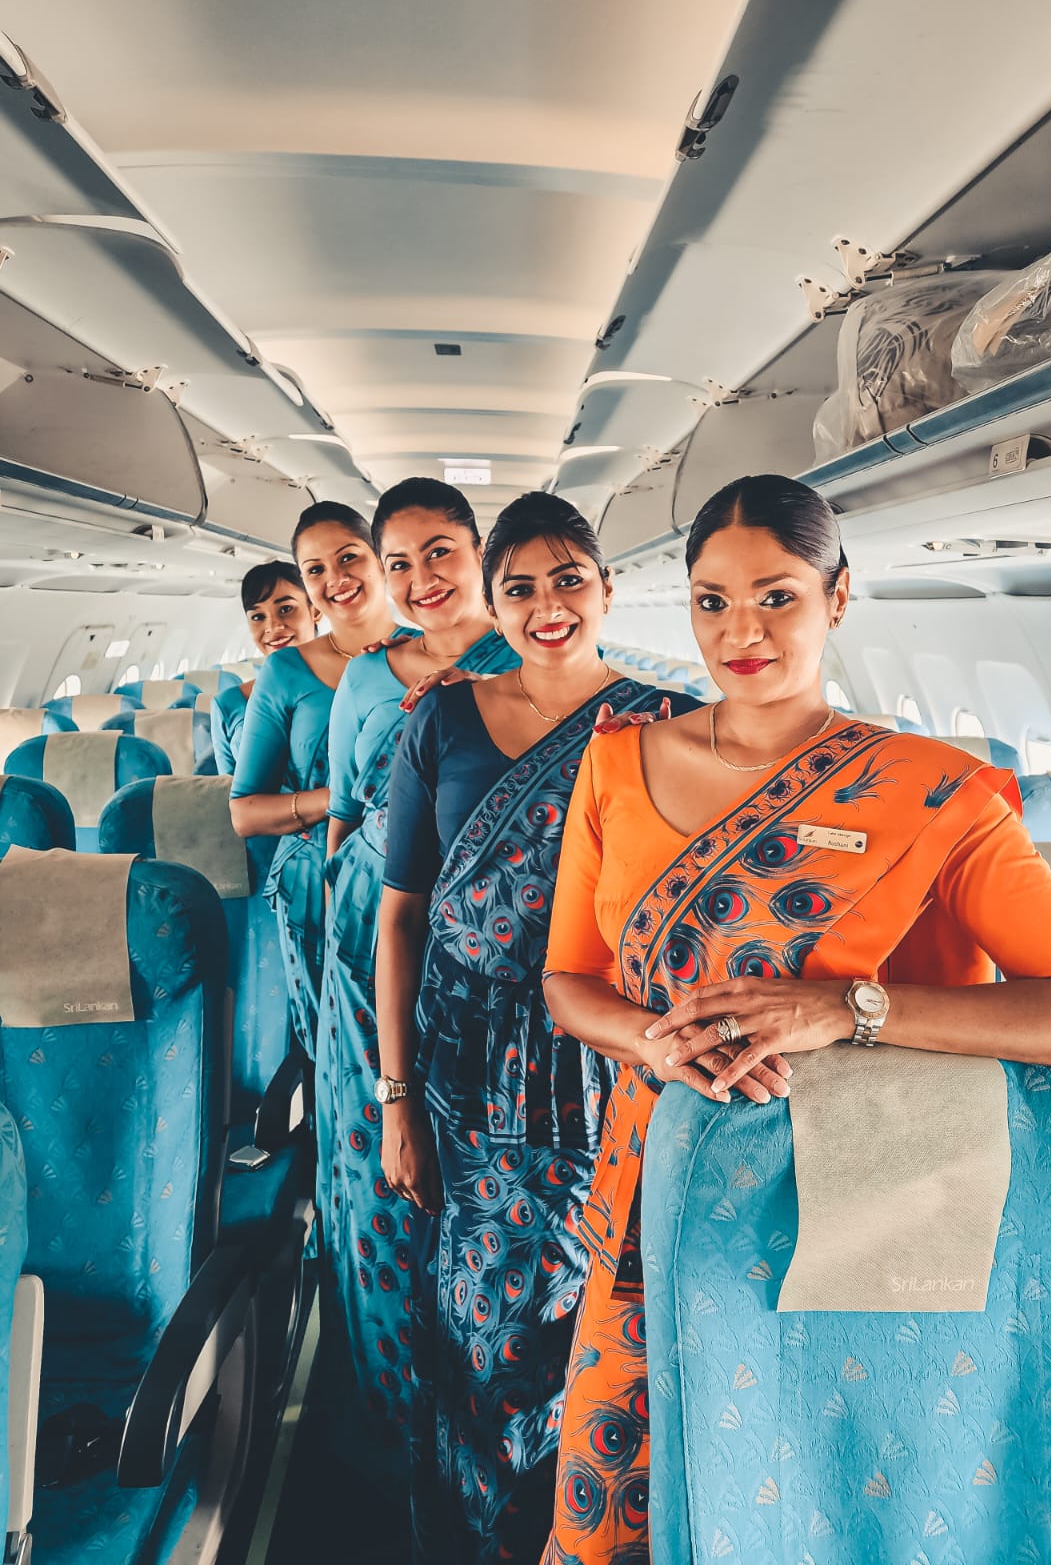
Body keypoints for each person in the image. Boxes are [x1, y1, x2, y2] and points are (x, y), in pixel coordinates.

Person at [539, 474, 1051, 1565]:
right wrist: (644, 1038)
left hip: (844, 1211)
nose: (742, 631)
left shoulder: (939, 791)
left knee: (795, 1510)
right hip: (646, 1197)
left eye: (775, 596)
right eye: (711, 601)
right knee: (617, 1516)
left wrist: (848, 1009)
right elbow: (569, 981)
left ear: (838, 596)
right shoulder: (616, 763)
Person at [374, 493, 700, 1564]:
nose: (548, 605)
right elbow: (402, 916)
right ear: (494, 601)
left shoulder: (668, 722)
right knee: (473, 1326)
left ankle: (566, 1537)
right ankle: (474, 1533)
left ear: (607, 587)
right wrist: (397, 1101)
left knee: (591, 1331)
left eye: (569, 579)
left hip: (603, 1063)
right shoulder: (442, 719)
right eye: (520, 586)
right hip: (464, 1073)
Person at [318, 478, 517, 1461]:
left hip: (486, 942)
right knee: (375, 1166)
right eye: (397, 563)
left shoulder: (527, 661)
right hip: (371, 935)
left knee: (472, 1166)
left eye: (439, 551)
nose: (418, 579)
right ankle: (390, 1401)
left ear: (479, 551)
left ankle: (480, 1409)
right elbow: (341, 825)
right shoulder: (364, 677)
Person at [230, 501, 396, 1057]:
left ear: (379, 559)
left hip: (419, 873)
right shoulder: (286, 672)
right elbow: (245, 811)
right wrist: (346, 802)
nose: (335, 579)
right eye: (315, 570)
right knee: (337, 1050)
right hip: (312, 883)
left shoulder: (430, 650)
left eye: (349, 557)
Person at [211, 561, 321, 774]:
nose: (273, 627)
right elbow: (228, 793)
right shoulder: (228, 705)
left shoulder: (348, 684)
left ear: (315, 610)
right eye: (258, 617)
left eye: (286, 609)